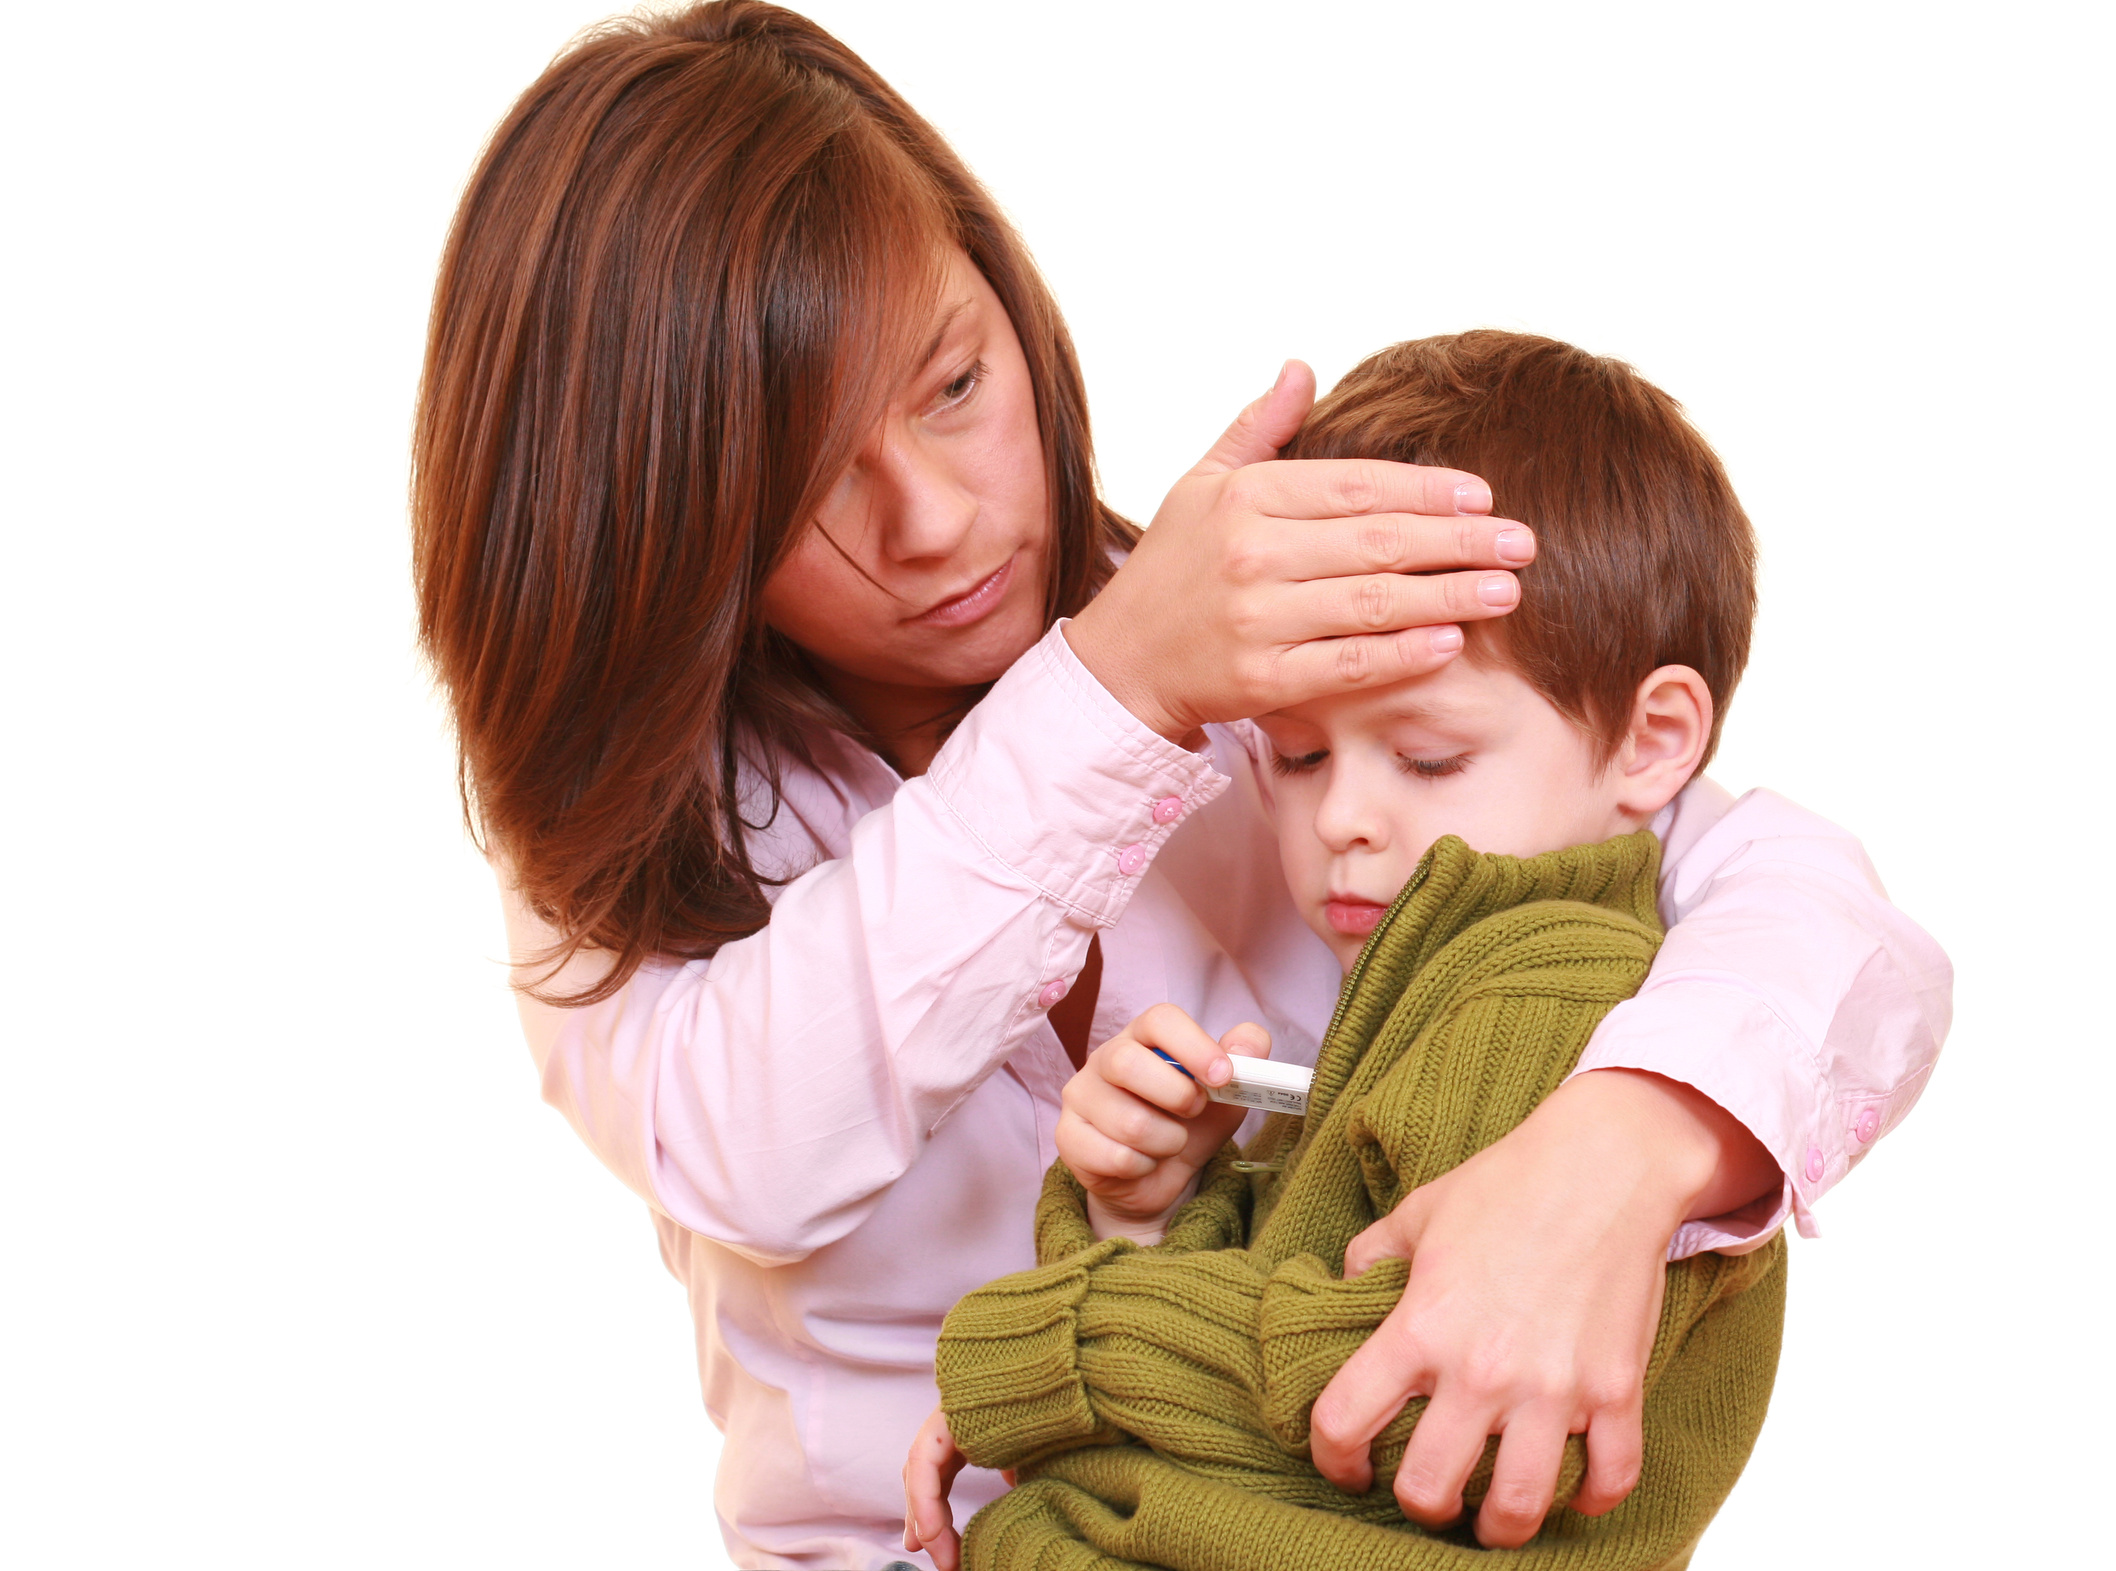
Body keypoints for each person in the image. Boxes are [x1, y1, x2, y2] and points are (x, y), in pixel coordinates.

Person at [410, 6, 1951, 1567]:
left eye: (953, 384)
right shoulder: (623, 833)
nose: (934, 520)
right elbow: (753, 1139)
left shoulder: (1300, 651)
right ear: (656, 517)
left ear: (1010, 305)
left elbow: (1788, 895)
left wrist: (1625, 1148)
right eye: (803, 475)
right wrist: (1120, 692)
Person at [908, 331, 1803, 1571]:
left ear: (1652, 741)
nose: (1342, 818)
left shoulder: (1545, 997)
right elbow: (1292, 1323)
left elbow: (1387, 1399)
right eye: (1299, 754)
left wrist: (1045, 1351)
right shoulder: (1419, 994)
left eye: (1428, 757)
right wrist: (1149, 1212)